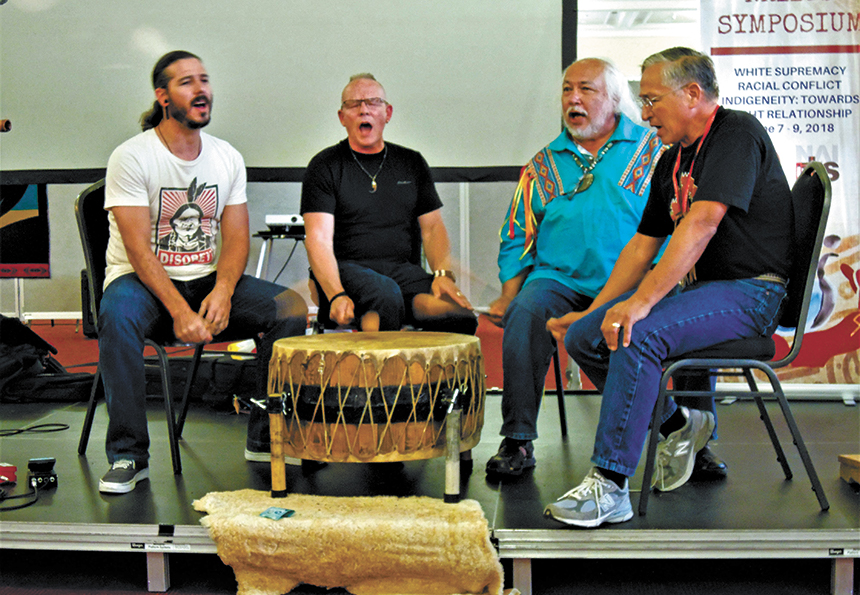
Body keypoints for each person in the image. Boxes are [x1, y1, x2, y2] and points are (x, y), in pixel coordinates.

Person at [544, 47, 792, 528]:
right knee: (587, 338)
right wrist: (596, 310)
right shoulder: (673, 158)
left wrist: (637, 306)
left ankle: (610, 486)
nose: (645, 111)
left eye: (653, 99)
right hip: (705, 293)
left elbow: (700, 224)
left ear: (693, 94)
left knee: (638, 334)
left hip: (752, 292)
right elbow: (642, 247)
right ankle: (681, 424)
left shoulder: (736, 133)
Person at [99, 50, 308, 494]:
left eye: (205, 80)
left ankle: (264, 436)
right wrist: (178, 308)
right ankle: (127, 455)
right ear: (162, 96)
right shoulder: (132, 156)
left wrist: (225, 290)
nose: (201, 90)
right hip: (141, 284)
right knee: (117, 317)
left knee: (289, 308)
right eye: (187, 82)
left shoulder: (226, 156)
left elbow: (235, 237)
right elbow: (138, 251)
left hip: (208, 281)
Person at [484, 58, 663, 478]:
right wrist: (510, 293)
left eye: (586, 89)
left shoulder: (654, 152)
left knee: (684, 310)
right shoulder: (544, 163)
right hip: (558, 280)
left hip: (632, 283)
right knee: (525, 314)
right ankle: (518, 439)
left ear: (616, 100)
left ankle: (692, 438)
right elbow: (516, 233)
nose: (573, 99)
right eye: (567, 90)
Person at [300, 73, 477, 335]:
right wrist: (336, 294)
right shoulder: (324, 166)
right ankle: (385, 375)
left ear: (387, 113)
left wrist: (443, 275)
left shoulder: (412, 162)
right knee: (385, 296)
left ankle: (424, 375)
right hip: (345, 273)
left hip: (402, 274)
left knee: (458, 315)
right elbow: (318, 240)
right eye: (354, 104)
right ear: (342, 117)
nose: (364, 110)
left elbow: (432, 228)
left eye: (373, 102)